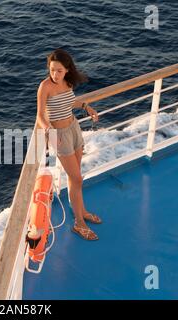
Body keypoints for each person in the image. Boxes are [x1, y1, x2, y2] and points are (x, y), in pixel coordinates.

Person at [36, 48, 102, 241]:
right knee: (76, 178)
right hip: (59, 135)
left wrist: (85, 106)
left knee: (76, 178)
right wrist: (49, 131)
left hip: (73, 127)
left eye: (59, 70)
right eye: (52, 70)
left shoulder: (68, 82)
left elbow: (68, 102)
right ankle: (79, 224)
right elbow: (40, 115)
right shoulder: (45, 86)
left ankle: (82, 212)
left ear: (66, 70)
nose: (55, 74)